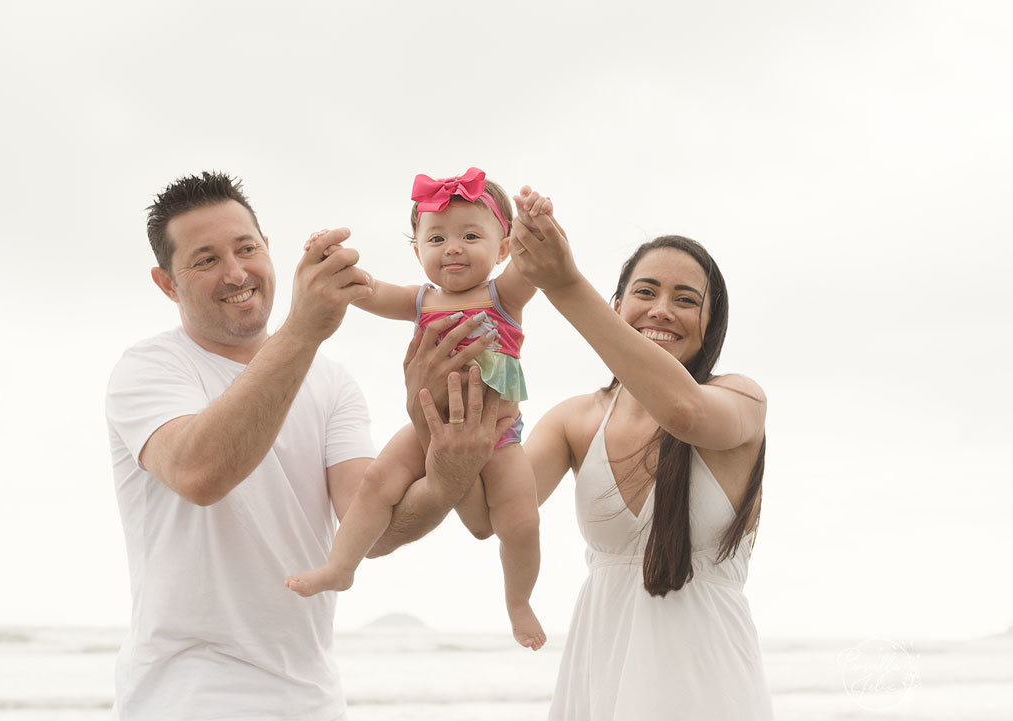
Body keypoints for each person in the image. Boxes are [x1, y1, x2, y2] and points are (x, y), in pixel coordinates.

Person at [105, 171, 508, 720]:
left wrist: (446, 473)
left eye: (246, 249)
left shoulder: (333, 382)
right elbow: (202, 474)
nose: (236, 272)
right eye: (205, 260)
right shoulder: (149, 368)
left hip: (311, 698)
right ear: (167, 283)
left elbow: (373, 530)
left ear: (268, 249)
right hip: (184, 698)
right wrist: (303, 328)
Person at [507, 208, 774, 719]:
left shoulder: (741, 400)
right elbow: (489, 514)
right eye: (646, 292)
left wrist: (564, 285)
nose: (662, 310)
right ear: (616, 306)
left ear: (711, 324)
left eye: (686, 299)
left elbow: (684, 412)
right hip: (600, 679)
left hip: (709, 690)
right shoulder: (575, 419)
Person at [284, 168, 552, 651]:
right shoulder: (421, 299)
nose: (453, 248)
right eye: (437, 238)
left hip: (498, 433)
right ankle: (340, 566)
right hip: (429, 421)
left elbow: (536, 262)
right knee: (375, 481)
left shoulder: (504, 295)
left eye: (471, 236)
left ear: (503, 248)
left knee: (522, 522)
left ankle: (518, 602)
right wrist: (330, 260)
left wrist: (536, 222)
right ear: (417, 252)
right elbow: (366, 289)